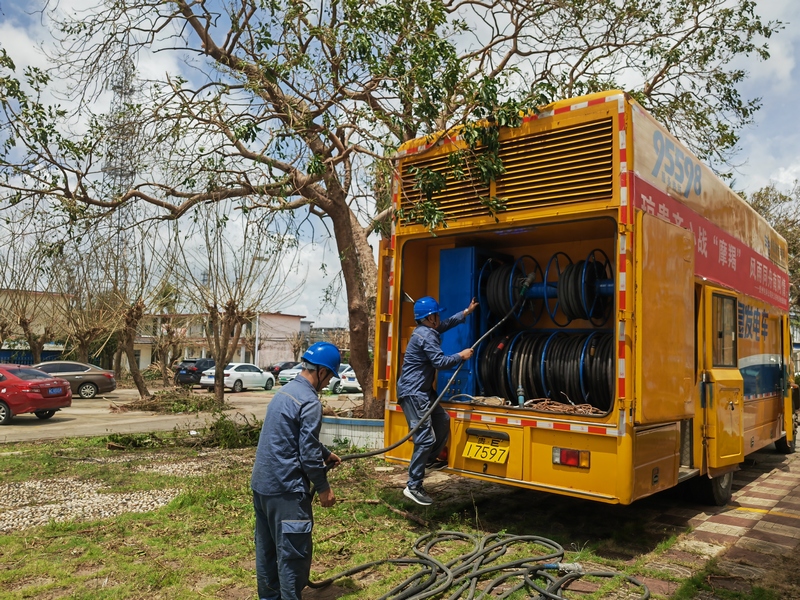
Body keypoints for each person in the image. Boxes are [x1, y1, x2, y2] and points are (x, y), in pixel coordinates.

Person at [251, 341, 343, 600]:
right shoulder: (310, 402)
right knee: (292, 557)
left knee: (268, 554)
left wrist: (327, 454)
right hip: (286, 491)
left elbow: (293, 436)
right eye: (329, 377)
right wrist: (324, 489)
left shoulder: (285, 392)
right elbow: (308, 455)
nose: (327, 384)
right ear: (322, 372)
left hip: (263, 487)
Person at [396, 296, 479, 505]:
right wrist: (461, 355)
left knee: (442, 421)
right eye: (437, 314)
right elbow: (440, 362)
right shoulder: (426, 336)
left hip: (423, 390)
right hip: (414, 392)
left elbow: (445, 325)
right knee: (425, 438)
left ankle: (428, 460)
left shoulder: (428, 330)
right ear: (430, 317)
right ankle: (413, 486)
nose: (439, 317)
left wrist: (466, 312)